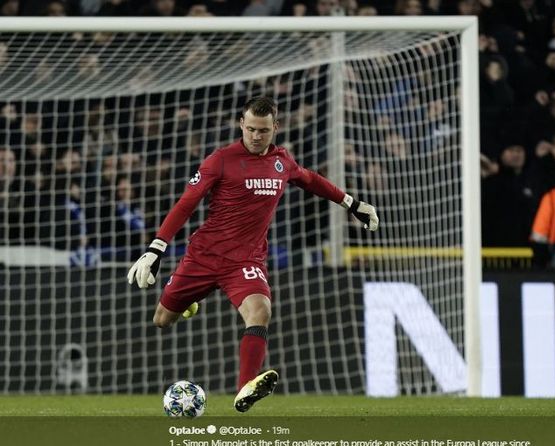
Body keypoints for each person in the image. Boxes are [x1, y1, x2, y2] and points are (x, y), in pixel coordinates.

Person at [127, 97, 379, 412]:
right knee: (162, 320)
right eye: (250, 129)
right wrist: (156, 248)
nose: (256, 136)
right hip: (203, 256)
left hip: (246, 261)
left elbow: (311, 180)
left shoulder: (282, 161)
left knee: (260, 311)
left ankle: (245, 387)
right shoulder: (220, 160)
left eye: (262, 130)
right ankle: (190, 303)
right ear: (240, 125)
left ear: (275, 127)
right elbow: (187, 202)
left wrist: (352, 204)